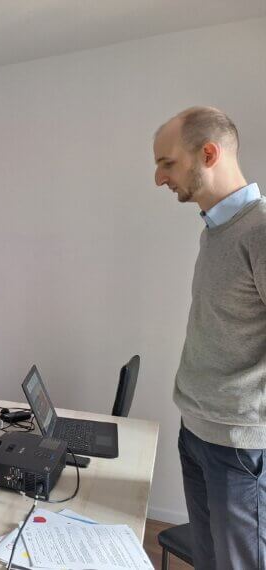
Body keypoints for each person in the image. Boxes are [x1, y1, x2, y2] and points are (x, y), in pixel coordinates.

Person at [154, 106, 266, 569]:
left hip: (236, 445)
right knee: (209, 561)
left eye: (167, 163)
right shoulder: (215, 231)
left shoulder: (260, 230)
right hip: (195, 429)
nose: (159, 178)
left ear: (208, 154)